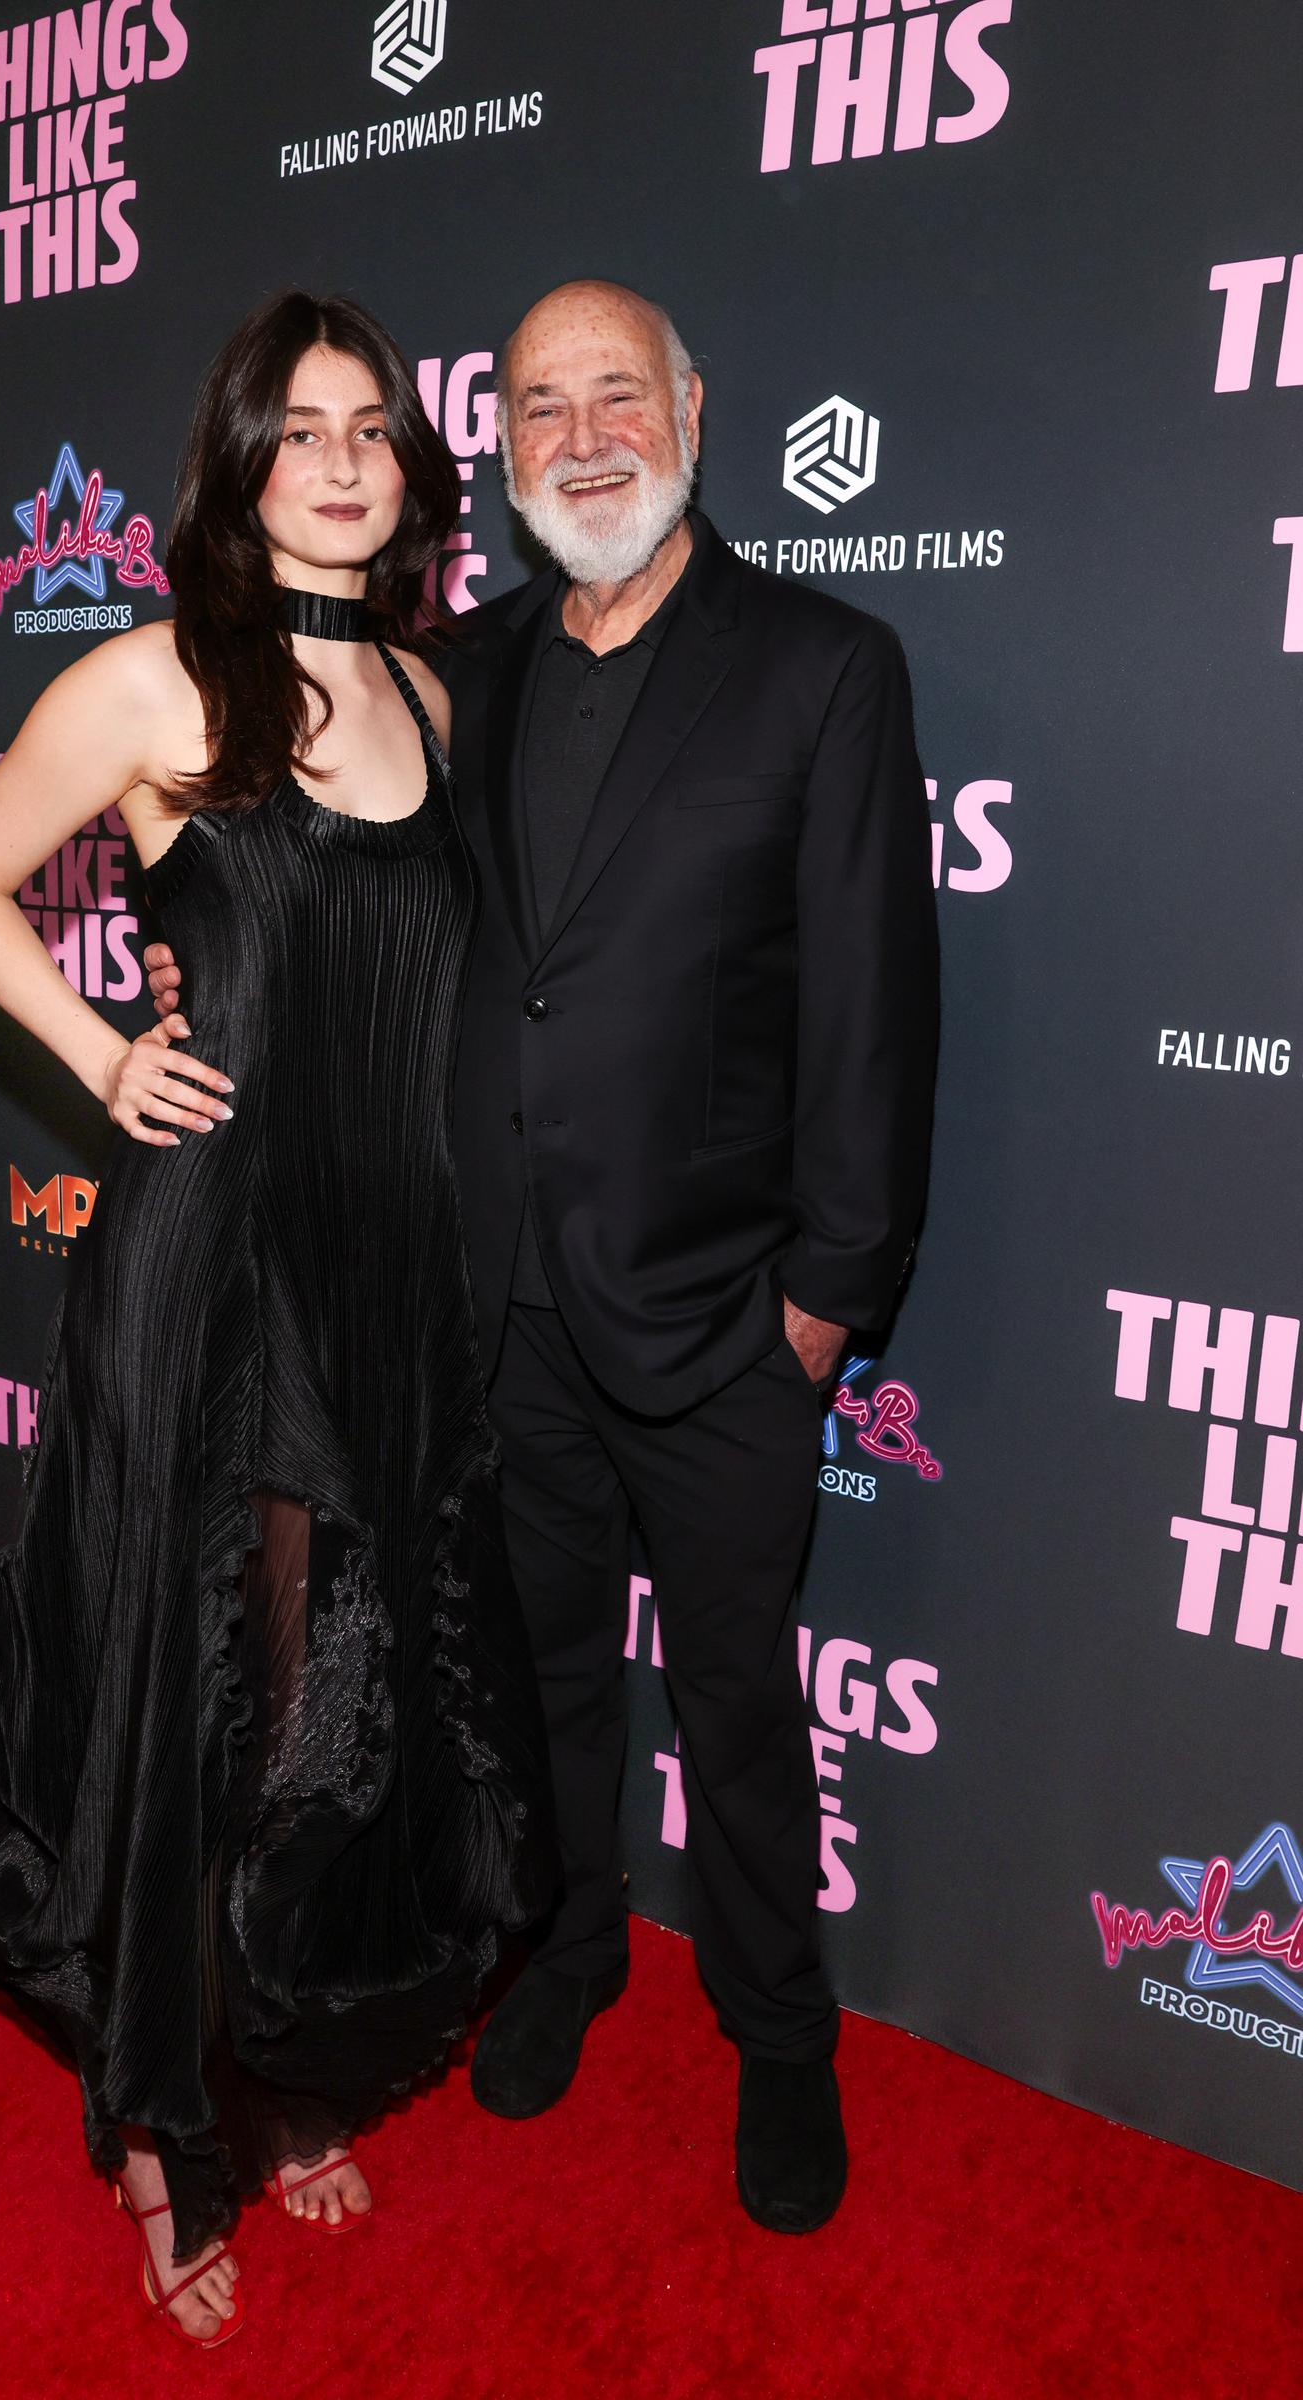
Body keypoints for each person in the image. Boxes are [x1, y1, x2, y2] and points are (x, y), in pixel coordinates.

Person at [142, 279, 939, 2237]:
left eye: (617, 394)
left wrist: (827, 1299)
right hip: (499, 1306)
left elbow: (875, 1008)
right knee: (550, 1683)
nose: (582, 433)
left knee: (742, 1715)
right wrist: (181, 987)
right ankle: (570, 1955)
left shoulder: (826, 665)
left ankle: (780, 2037)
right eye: (536, 404)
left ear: (691, 407)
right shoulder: (461, 670)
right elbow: (320, 892)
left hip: (727, 1320)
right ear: (492, 452)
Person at [0, 290, 553, 2349]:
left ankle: (279, 2067)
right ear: (240, 462)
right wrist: (109, 1059)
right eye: (304, 430)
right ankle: (168, 2136)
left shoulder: (442, 704)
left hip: (387, 1267)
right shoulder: (152, 678)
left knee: (339, 1702)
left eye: (376, 425)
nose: (349, 459)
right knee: (220, 1683)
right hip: (216, 1266)